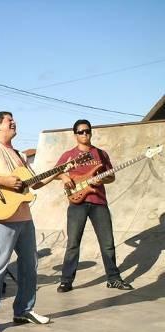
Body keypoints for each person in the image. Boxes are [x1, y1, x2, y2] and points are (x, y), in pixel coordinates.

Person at [0, 111, 56, 332]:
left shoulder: (19, 155)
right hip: (2, 219)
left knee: (30, 266)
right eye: (9, 120)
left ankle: (24, 310)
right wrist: (4, 180)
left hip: (25, 218)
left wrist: (60, 171)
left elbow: (34, 183)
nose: (14, 122)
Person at [55, 119, 133, 293]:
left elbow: (111, 177)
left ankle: (113, 279)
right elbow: (55, 172)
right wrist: (64, 177)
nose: (85, 134)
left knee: (107, 243)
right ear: (75, 134)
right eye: (81, 131)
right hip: (77, 202)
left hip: (99, 202)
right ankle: (66, 281)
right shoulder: (69, 154)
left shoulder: (101, 154)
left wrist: (102, 178)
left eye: (87, 131)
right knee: (73, 244)